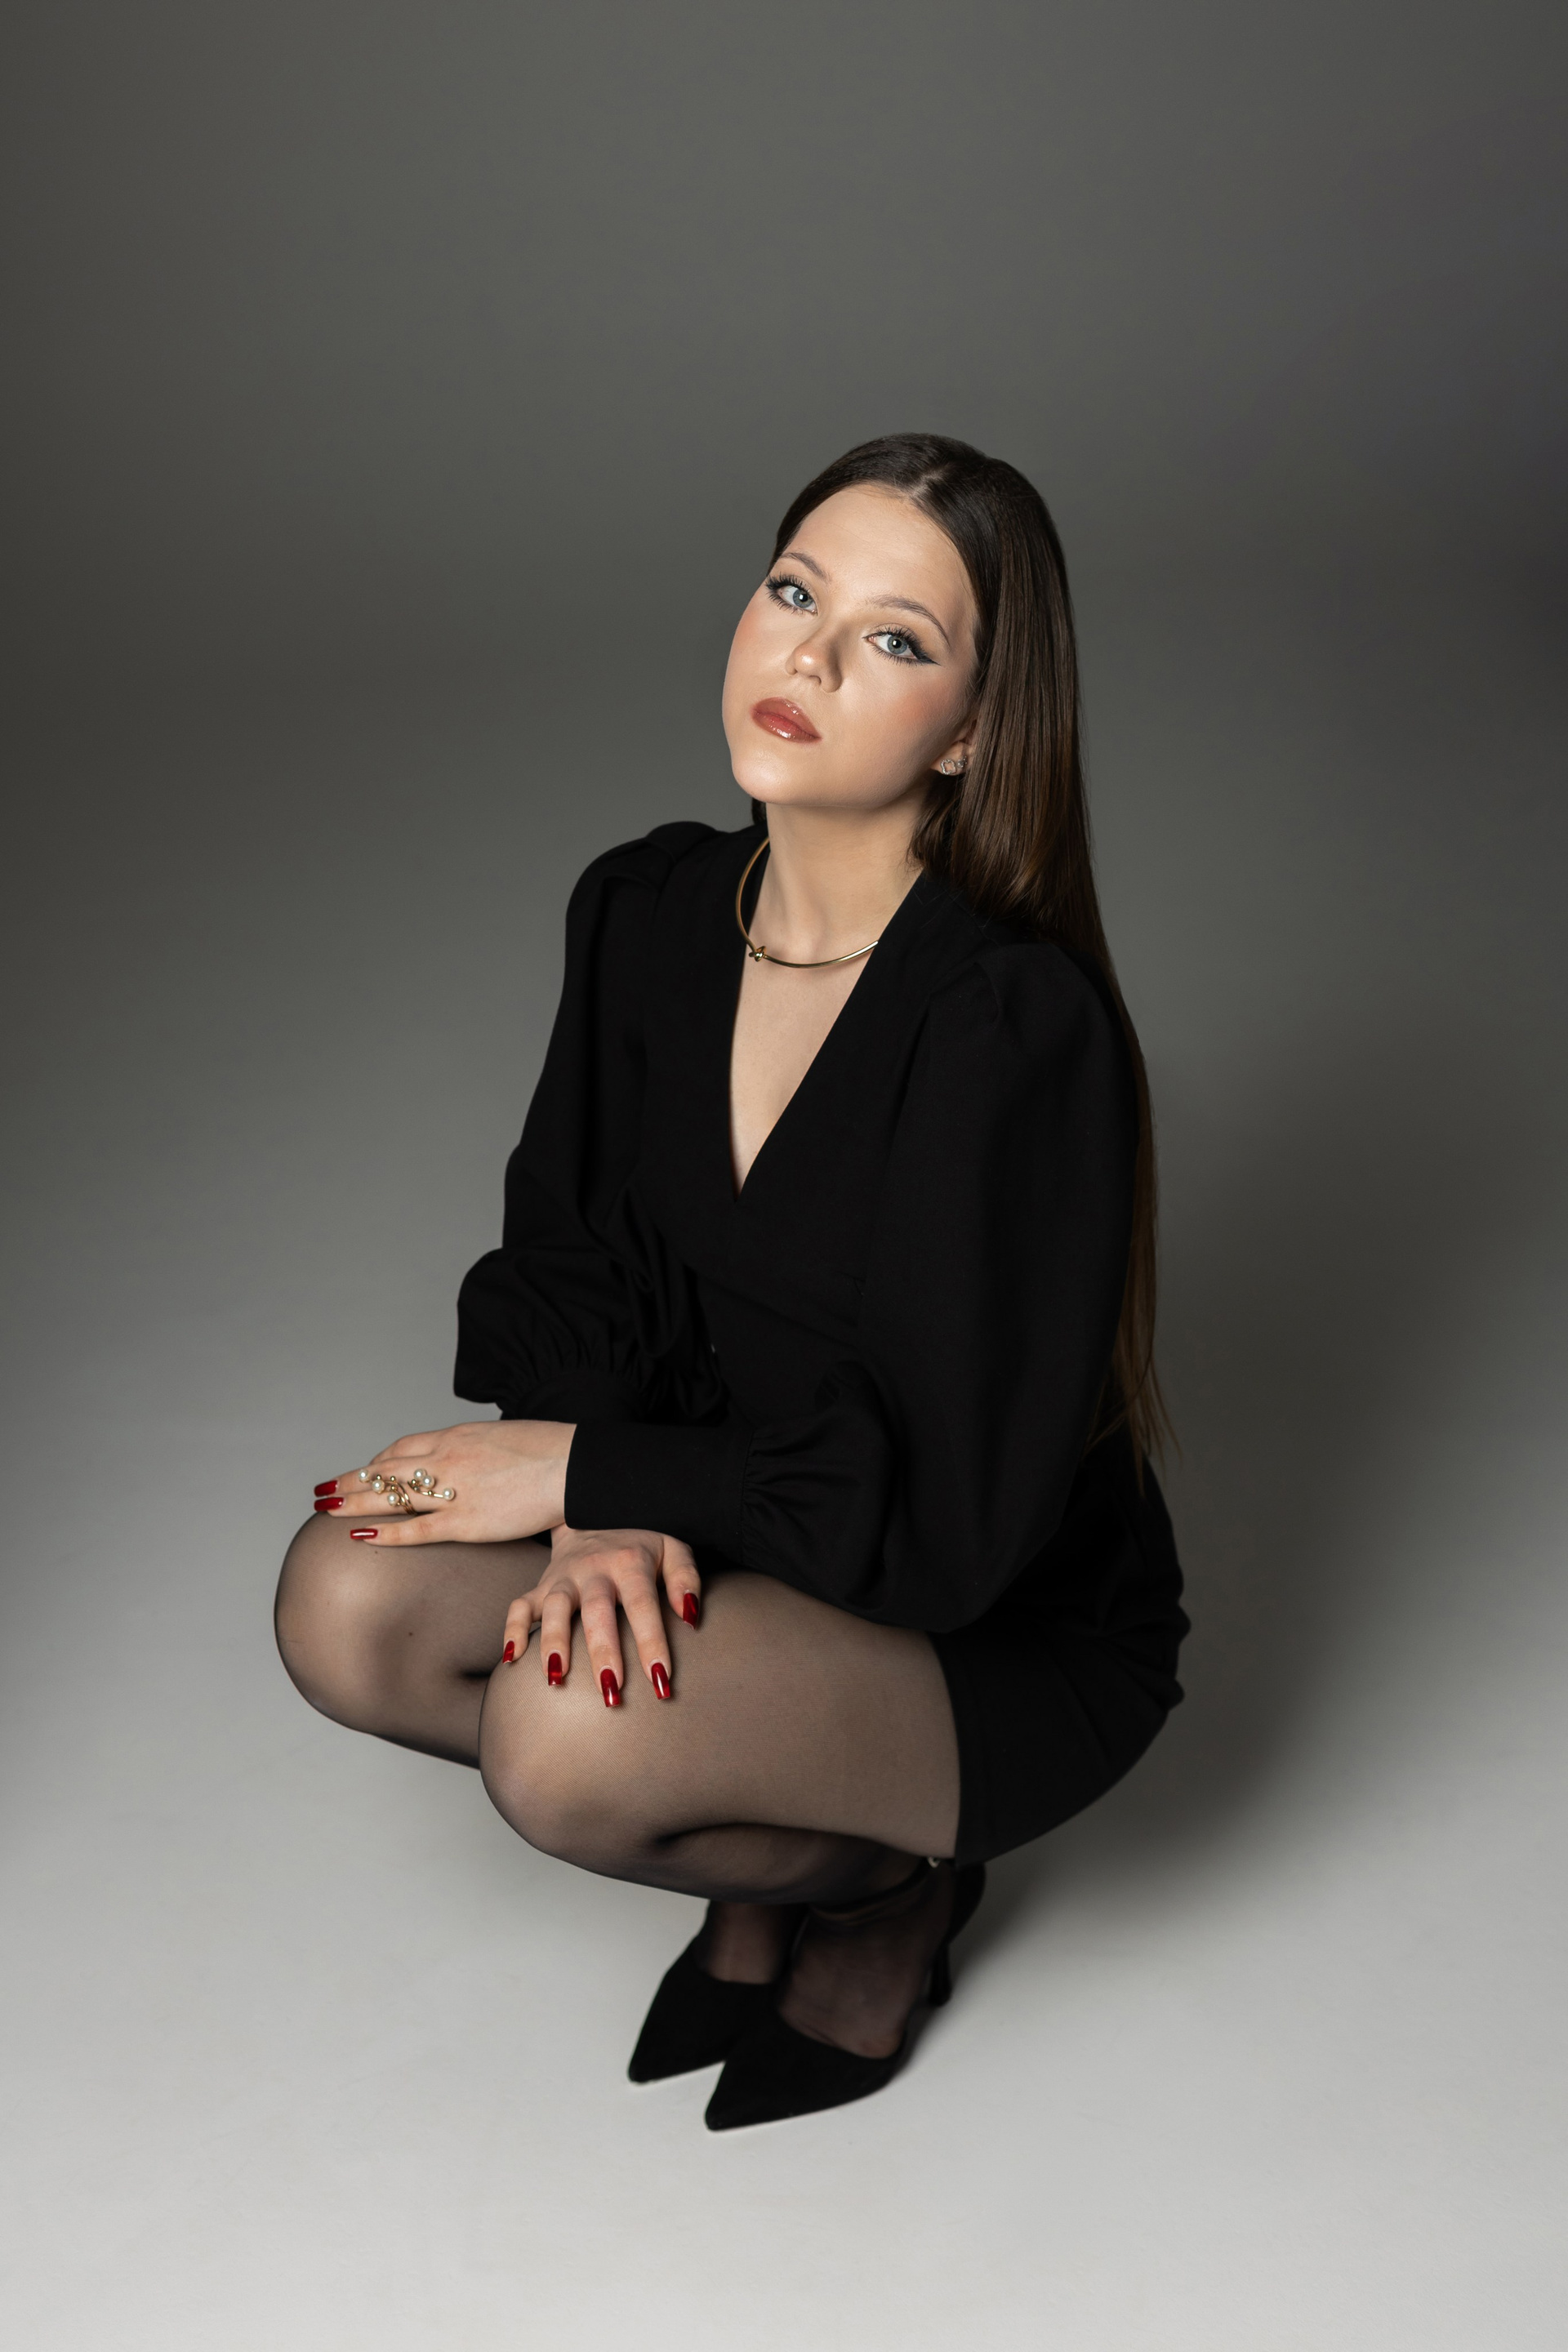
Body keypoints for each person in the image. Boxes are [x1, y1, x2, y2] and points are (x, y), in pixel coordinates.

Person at [274, 433, 1188, 2130]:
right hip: (737, 1527)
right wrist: (595, 1513)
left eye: (895, 639)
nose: (807, 659)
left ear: (973, 731)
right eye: (792, 591)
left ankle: (885, 1886)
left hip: (974, 1618)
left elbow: (941, 1528)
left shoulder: (1010, 1024)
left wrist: (582, 1472)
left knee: (567, 1741)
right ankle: (759, 1832)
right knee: (345, 1600)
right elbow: (572, 1252)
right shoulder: (646, 911)